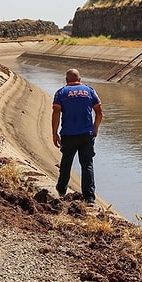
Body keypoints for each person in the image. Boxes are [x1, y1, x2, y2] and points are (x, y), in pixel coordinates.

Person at [52, 69, 103, 206]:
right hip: (87, 134)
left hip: (68, 135)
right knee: (87, 164)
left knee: (66, 162)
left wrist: (54, 133)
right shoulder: (89, 91)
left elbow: (56, 113)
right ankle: (90, 198)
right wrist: (95, 127)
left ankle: (61, 190)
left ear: (66, 80)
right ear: (80, 79)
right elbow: (99, 111)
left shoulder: (61, 93)